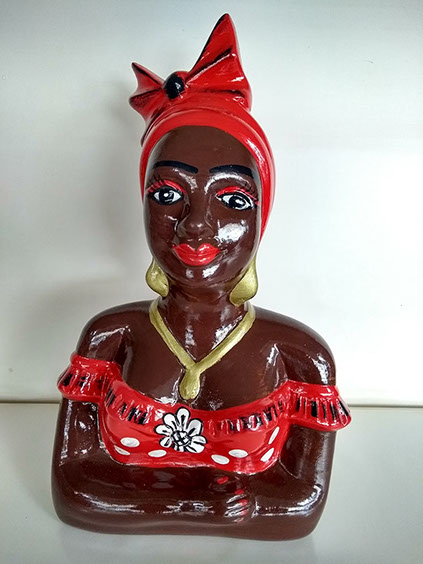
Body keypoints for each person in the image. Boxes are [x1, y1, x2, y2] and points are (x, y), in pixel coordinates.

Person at [52, 14, 350, 540]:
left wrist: (140, 501)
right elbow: (73, 492)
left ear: (262, 218)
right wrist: (204, 504)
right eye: (168, 194)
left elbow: (302, 508)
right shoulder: (108, 337)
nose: (196, 225)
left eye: (233, 199)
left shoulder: (301, 357)